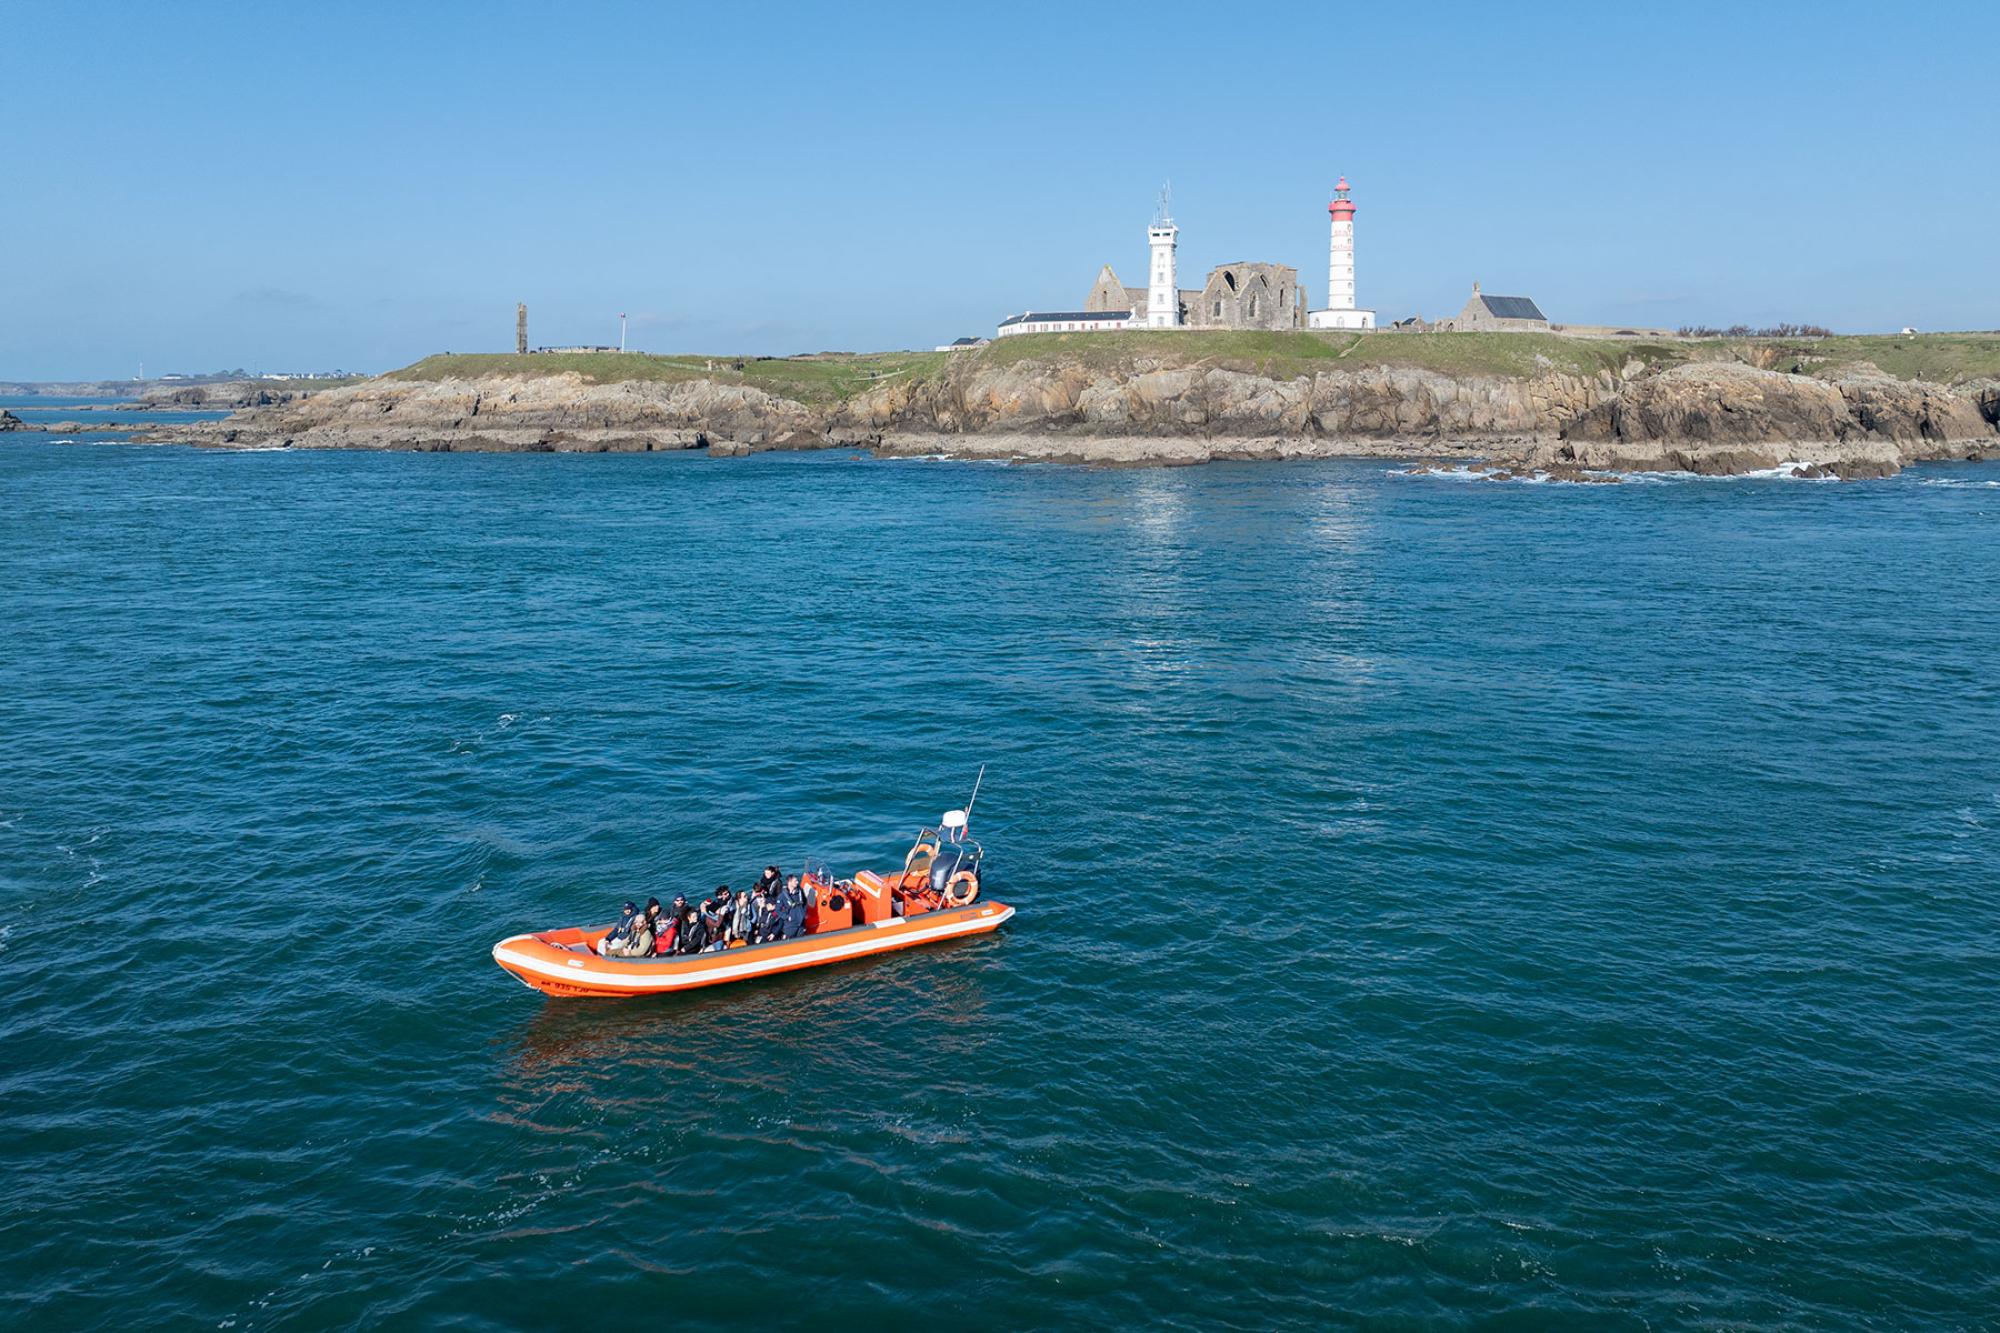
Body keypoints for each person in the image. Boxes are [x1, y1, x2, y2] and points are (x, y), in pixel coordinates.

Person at [777, 874, 807, 941]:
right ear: (789, 882)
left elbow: (805, 902)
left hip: (801, 923)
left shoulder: (800, 892)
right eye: (795, 881)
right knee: (789, 941)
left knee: (801, 940)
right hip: (790, 924)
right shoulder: (782, 896)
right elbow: (778, 910)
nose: (797, 882)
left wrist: (803, 913)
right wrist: (787, 917)